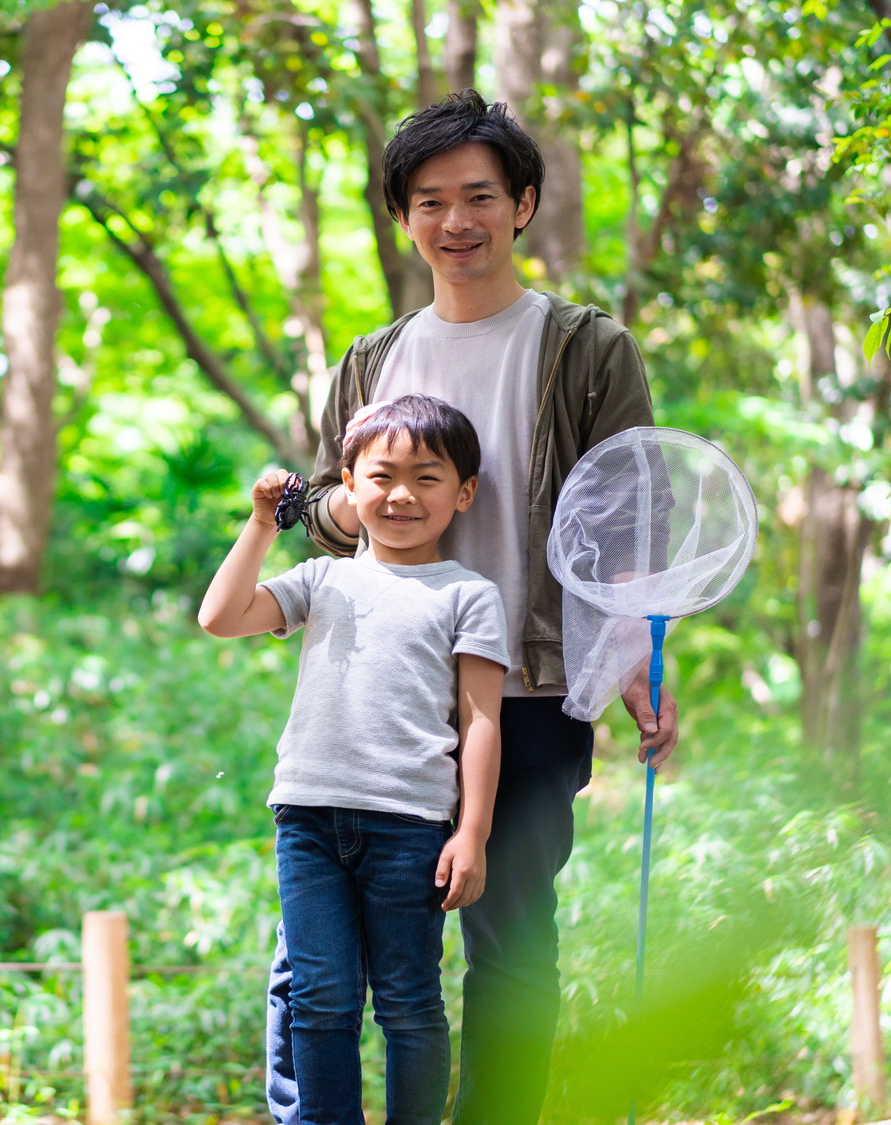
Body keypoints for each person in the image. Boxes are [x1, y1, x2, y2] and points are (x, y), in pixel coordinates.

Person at [269, 90, 682, 1125]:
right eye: (427, 201)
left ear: (521, 204)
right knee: (314, 960)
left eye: (477, 197)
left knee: (506, 943)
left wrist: (633, 665)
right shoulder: (370, 360)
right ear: (403, 218)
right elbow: (328, 496)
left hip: (534, 687)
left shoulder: (586, 349)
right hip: (376, 698)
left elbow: (627, 518)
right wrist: (330, 513)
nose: (454, 221)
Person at [199, 394, 509, 1125]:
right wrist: (258, 524)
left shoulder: (468, 594)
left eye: (427, 477)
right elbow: (219, 616)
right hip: (306, 822)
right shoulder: (322, 579)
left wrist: (473, 832)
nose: (402, 494)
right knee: (320, 995)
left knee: (407, 1002)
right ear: (348, 482)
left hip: (409, 828)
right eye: (382, 475)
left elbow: (482, 718)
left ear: (463, 492)